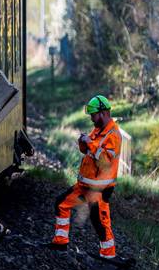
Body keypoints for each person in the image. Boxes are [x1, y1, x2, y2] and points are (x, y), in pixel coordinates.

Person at [51, 95, 121, 259]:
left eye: (93, 115)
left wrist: (89, 142)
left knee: (100, 221)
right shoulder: (98, 129)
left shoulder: (114, 134)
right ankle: (60, 242)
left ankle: (109, 255)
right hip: (85, 185)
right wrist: (83, 142)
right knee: (61, 204)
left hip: (99, 188)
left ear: (103, 113)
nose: (91, 119)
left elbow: (104, 160)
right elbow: (88, 150)